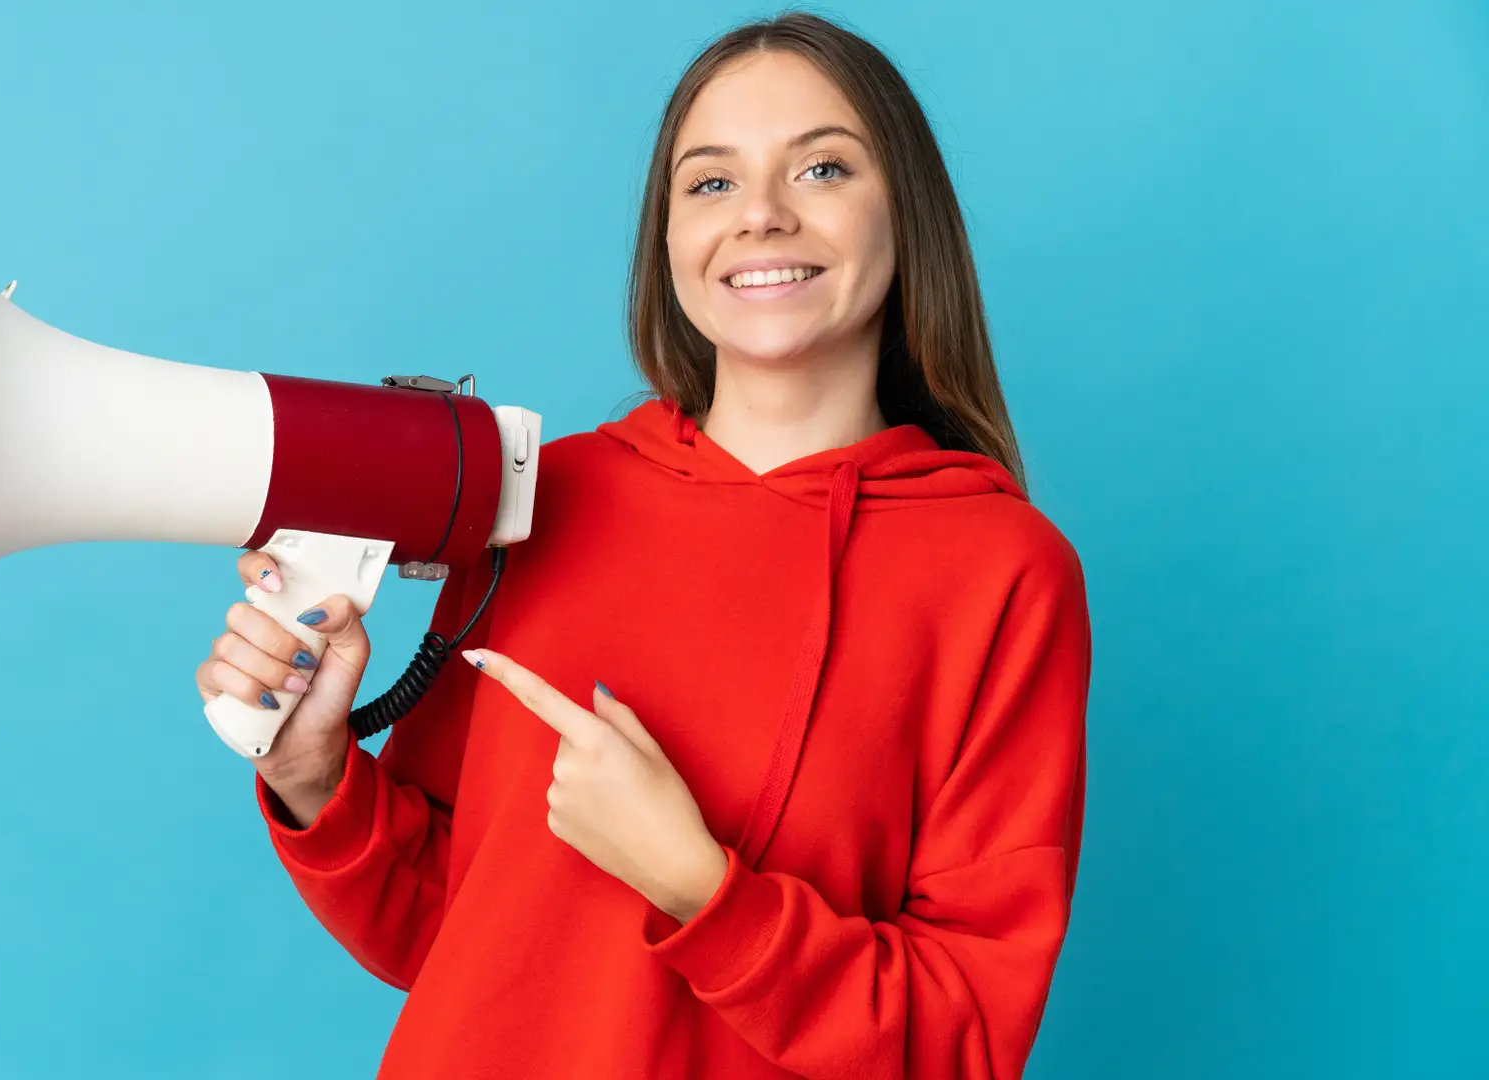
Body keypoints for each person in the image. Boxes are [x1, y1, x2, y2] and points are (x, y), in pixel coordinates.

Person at [195, 11, 1091, 1079]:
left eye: (821, 169)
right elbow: (449, 928)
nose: (759, 216)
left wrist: (701, 890)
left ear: (907, 215)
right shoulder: (536, 499)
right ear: (666, 240)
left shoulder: (1003, 573)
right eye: (710, 182)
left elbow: (963, 1039)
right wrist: (317, 773)